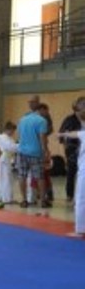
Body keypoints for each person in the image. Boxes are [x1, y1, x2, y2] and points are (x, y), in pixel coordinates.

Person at [58, 96, 85, 237]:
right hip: (76, 158)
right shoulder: (71, 121)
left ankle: (80, 230)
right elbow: (75, 134)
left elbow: (76, 134)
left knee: (80, 198)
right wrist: (64, 134)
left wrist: (63, 134)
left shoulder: (82, 131)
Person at [16, 100, 51, 208]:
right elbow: (42, 138)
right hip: (36, 152)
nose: (47, 113)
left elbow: (19, 135)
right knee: (40, 177)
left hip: (22, 151)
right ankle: (43, 201)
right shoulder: (42, 121)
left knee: (22, 175)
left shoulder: (22, 119)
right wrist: (46, 151)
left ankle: (24, 200)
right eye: (46, 111)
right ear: (41, 109)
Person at [59, 99, 83, 204]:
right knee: (71, 172)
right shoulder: (69, 119)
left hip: (83, 149)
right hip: (72, 150)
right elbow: (62, 134)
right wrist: (66, 150)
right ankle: (70, 195)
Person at [0, 121, 18, 204]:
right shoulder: (2, 137)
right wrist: (21, 145)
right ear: (7, 129)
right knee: (5, 179)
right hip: (4, 160)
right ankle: (5, 198)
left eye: (14, 131)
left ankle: (4, 197)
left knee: (8, 179)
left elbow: (13, 148)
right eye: (12, 130)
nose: (13, 132)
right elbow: (10, 147)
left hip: (8, 159)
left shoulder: (9, 138)